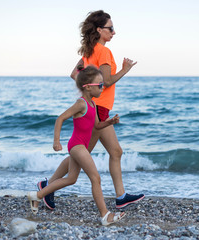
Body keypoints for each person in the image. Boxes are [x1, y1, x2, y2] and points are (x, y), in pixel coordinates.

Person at [37, 10, 144, 210]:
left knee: (115, 151)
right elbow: (109, 80)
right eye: (110, 28)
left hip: (96, 107)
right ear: (99, 29)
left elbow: (73, 75)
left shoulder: (88, 51)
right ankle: (48, 186)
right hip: (99, 108)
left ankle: (121, 196)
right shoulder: (103, 52)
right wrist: (126, 69)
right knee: (81, 155)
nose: (114, 32)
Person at [28, 65, 125, 226]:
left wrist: (110, 122)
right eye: (100, 85)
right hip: (77, 146)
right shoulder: (81, 104)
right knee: (96, 178)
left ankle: (37, 195)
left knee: (71, 178)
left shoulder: (93, 105)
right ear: (87, 87)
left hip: (80, 146)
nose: (103, 88)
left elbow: (97, 127)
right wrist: (56, 141)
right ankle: (105, 215)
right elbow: (60, 118)